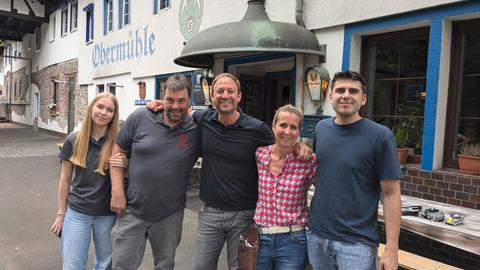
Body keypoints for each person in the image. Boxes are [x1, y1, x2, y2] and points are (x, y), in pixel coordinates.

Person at [147, 73, 311, 269]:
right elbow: (184, 111)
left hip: (244, 216)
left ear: (239, 96)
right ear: (213, 97)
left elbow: (282, 141)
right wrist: (165, 104)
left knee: (241, 267)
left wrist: (299, 146)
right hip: (210, 213)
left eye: (230, 91)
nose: (225, 95)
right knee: (201, 266)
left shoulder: (256, 128)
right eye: (220, 91)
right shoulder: (204, 118)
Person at [307, 71, 402, 270]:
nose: (346, 95)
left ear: (363, 98)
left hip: (357, 243)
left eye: (354, 91)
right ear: (331, 96)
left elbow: (391, 193)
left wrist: (391, 249)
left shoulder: (380, 137)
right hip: (317, 236)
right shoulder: (321, 129)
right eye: (340, 90)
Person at [109, 74, 201, 270]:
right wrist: (117, 192)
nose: (175, 106)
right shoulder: (140, 117)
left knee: (165, 265)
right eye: (170, 100)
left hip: (170, 213)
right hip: (132, 209)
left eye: (181, 101)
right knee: (121, 265)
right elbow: (117, 152)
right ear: (162, 97)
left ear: (189, 102)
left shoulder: (197, 128)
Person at [50, 92, 126, 270]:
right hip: (77, 213)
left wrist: (127, 162)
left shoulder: (118, 143)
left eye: (110, 110)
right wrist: (62, 213)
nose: (104, 113)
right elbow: (65, 179)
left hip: (108, 214)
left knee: (105, 264)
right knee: (73, 264)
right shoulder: (74, 140)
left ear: (114, 115)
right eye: (100, 107)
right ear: (91, 108)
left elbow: (129, 174)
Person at [254, 105, 317, 270]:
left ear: (299, 131)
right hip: (261, 238)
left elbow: (327, 190)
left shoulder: (308, 161)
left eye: (293, 127)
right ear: (273, 127)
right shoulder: (259, 154)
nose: (287, 132)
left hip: (293, 240)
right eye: (283, 125)